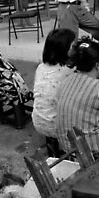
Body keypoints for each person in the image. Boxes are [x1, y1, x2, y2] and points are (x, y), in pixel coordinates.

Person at [32, 28, 76, 156]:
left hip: (38, 121)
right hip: (57, 126)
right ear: (64, 50)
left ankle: (55, 147)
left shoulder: (41, 67)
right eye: (73, 46)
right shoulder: (68, 71)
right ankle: (67, 149)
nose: (76, 49)